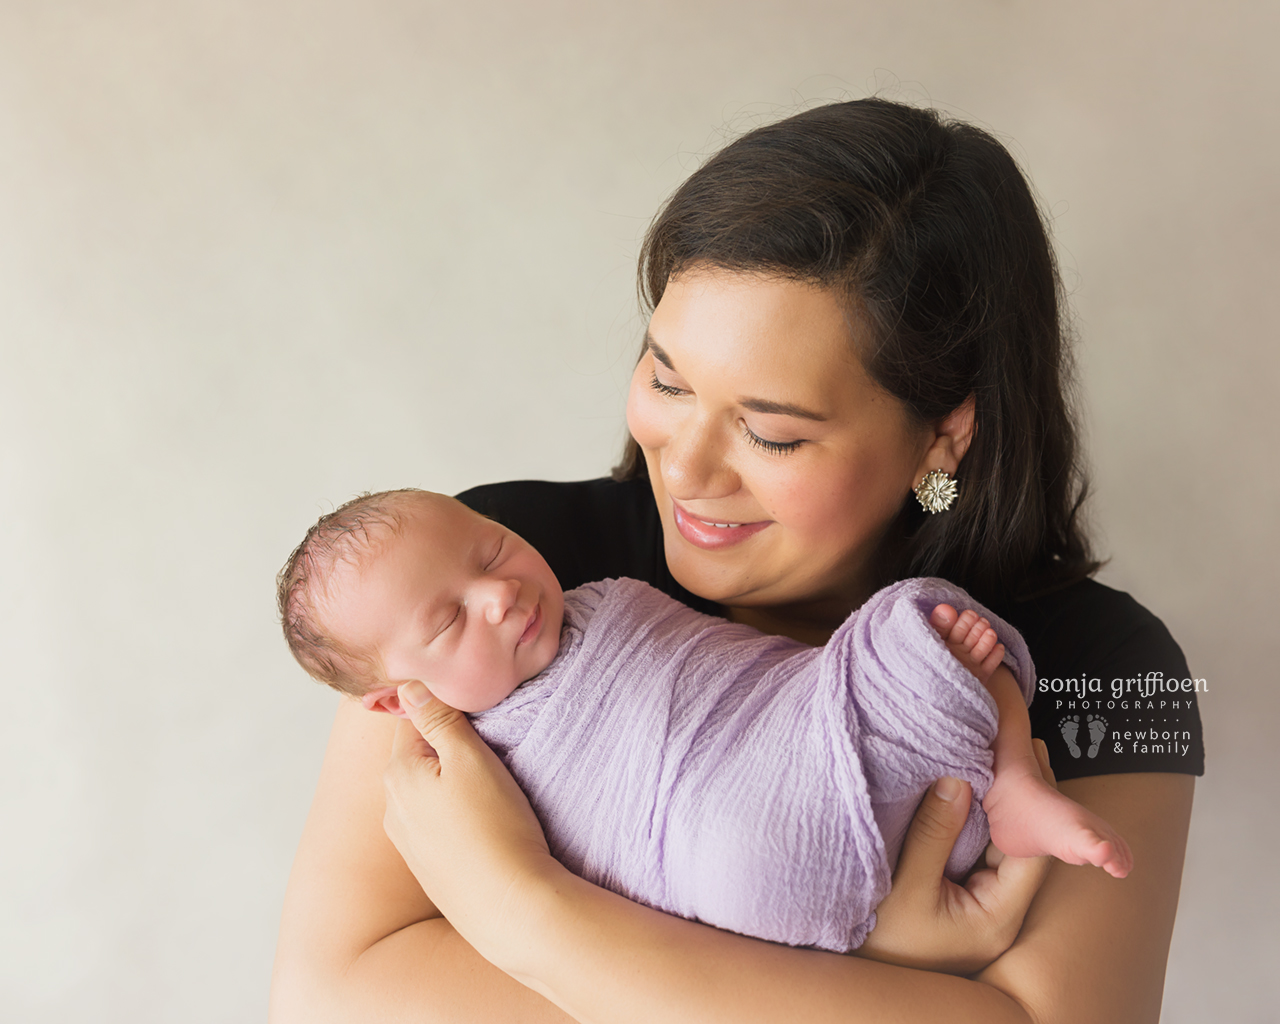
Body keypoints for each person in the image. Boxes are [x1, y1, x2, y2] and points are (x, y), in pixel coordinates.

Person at [270, 98, 1202, 1023]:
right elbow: (328, 996)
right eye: (667, 380)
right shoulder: (496, 575)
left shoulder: (1125, 670)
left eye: (772, 434)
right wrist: (876, 983)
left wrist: (524, 909)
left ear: (943, 434)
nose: (685, 464)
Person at [274, 489, 1132, 951]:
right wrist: (523, 895)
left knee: (920, 621)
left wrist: (838, 689)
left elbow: (749, 677)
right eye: (449, 621)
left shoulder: (605, 596)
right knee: (732, 861)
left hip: (824, 734)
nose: (500, 594)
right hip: (746, 856)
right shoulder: (462, 768)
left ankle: (1015, 779)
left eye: (492, 549)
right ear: (393, 700)